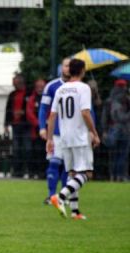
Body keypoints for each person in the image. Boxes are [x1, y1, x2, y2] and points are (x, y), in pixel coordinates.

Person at [47, 58, 100, 220]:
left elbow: (52, 115)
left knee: (72, 173)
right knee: (86, 173)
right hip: (79, 136)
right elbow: (85, 112)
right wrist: (94, 132)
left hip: (64, 137)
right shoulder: (83, 88)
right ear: (83, 71)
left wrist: (49, 139)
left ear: (70, 71)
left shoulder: (60, 90)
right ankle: (60, 196)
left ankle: (75, 212)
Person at [39, 58, 71, 205]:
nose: (68, 68)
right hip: (56, 132)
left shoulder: (80, 87)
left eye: (70, 66)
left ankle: (63, 196)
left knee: (67, 165)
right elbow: (44, 108)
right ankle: (52, 196)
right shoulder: (52, 86)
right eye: (65, 65)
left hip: (72, 133)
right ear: (61, 68)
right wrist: (42, 127)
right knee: (53, 162)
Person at [4, 73, 31, 178]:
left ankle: (28, 170)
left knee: (27, 149)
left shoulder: (28, 93)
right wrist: (6, 124)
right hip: (15, 126)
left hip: (25, 125)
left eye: (14, 82)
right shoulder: (12, 94)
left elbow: (31, 108)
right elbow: (8, 110)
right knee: (16, 149)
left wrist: (23, 112)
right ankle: (17, 171)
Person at [103, 79, 130, 181]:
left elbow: (105, 117)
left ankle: (112, 176)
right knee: (123, 154)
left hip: (112, 130)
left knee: (113, 155)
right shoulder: (126, 100)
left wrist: (105, 131)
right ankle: (121, 176)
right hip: (125, 131)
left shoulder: (109, 100)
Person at [26, 78, 46, 178]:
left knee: (44, 152)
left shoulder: (47, 98)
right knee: (34, 152)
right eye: (38, 86)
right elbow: (29, 114)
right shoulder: (32, 99)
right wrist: (39, 124)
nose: (40, 88)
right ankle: (33, 172)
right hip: (35, 131)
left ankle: (43, 172)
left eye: (41, 86)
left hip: (47, 131)